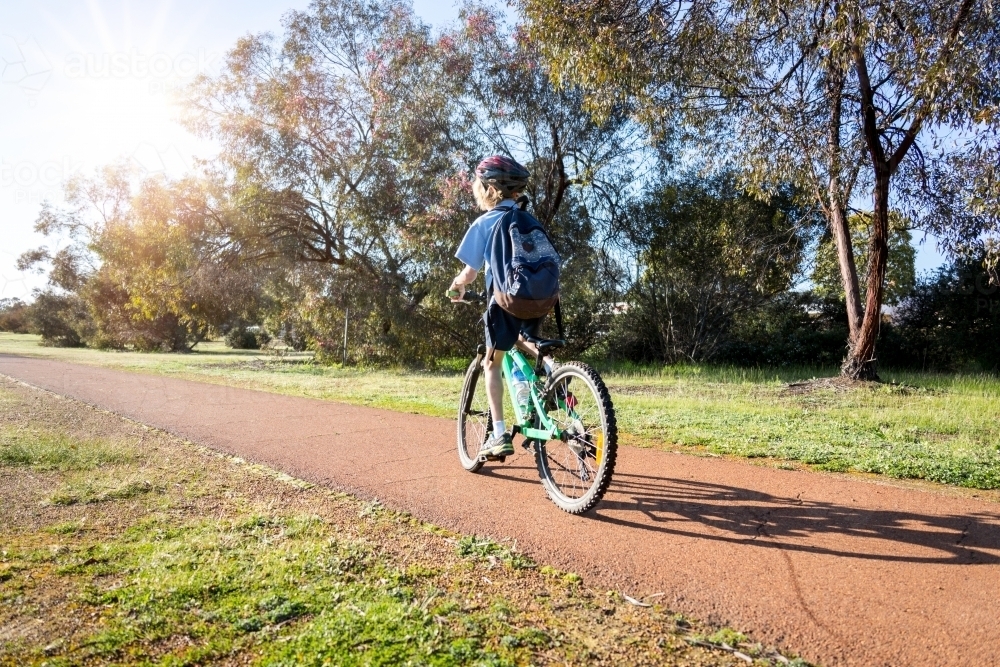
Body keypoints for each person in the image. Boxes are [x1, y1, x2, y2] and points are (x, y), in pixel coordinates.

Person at [449, 155, 555, 458]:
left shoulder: (485, 222)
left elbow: (470, 271)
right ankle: (555, 373)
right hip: (541, 299)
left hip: (505, 300)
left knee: (491, 364)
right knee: (528, 342)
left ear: (487, 188)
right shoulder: (530, 221)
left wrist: (458, 285)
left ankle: (498, 434)